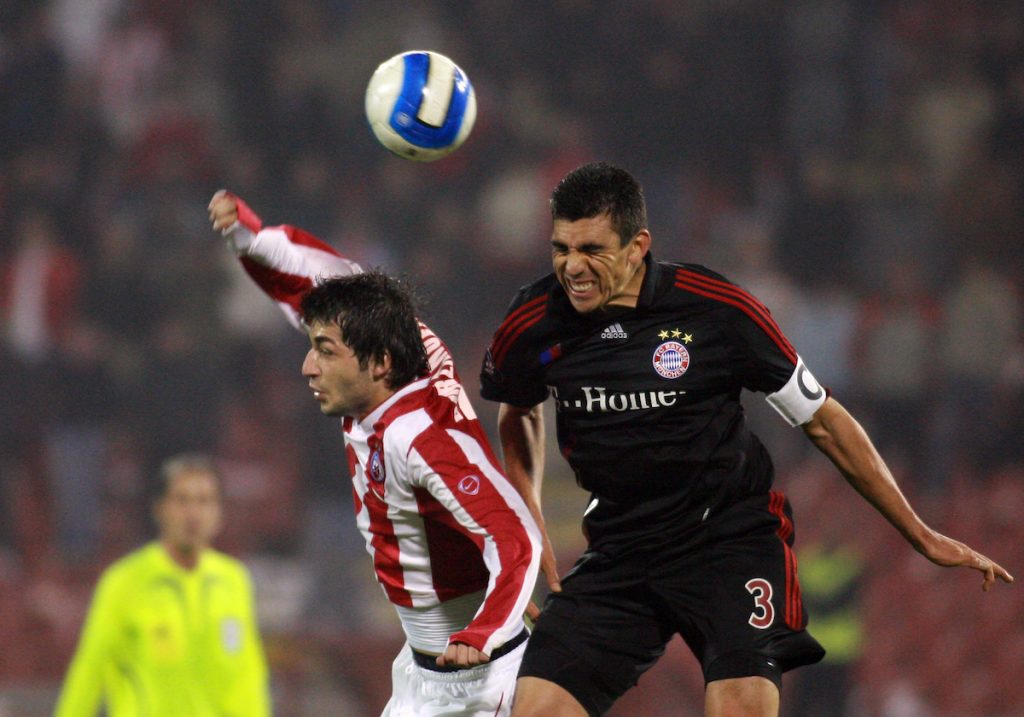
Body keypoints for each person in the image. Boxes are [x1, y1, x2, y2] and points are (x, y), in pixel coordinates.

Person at [478, 161, 1014, 717]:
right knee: (535, 710)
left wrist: (921, 534)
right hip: (620, 548)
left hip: (728, 544)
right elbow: (518, 410)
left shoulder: (715, 308)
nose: (573, 267)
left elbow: (822, 418)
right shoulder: (533, 319)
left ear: (638, 246)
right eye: (561, 249)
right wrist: (530, 519)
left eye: (592, 249)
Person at [207, 191, 541, 717]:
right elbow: (318, 285)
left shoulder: (420, 435)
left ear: (380, 363)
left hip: (474, 685)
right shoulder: (395, 347)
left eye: (324, 353)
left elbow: (514, 537)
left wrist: (486, 627)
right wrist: (251, 238)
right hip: (422, 669)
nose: (307, 368)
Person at [54, 454, 272, 717]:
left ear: (219, 512)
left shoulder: (234, 581)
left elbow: (248, 678)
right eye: (182, 500)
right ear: (159, 509)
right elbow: (89, 673)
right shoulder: (124, 582)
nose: (193, 513)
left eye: (204, 501)